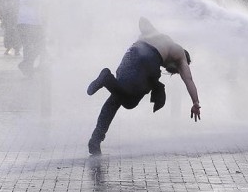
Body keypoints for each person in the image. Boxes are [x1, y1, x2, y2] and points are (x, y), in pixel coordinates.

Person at [86, 17, 201, 155]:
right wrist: (195, 102)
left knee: (116, 99)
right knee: (130, 102)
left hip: (131, 54)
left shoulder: (158, 36)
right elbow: (189, 80)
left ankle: (95, 140)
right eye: (175, 70)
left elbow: (142, 20)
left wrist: (146, 30)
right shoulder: (180, 54)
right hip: (149, 59)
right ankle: (110, 79)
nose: (169, 70)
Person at [13, 0, 45, 76]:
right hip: (23, 21)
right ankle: (28, 70)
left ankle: (26, 64)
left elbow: (46, 5)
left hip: (37, 22)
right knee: (27, 46)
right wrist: (14, 19)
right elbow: (14, 3)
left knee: (40, 46)